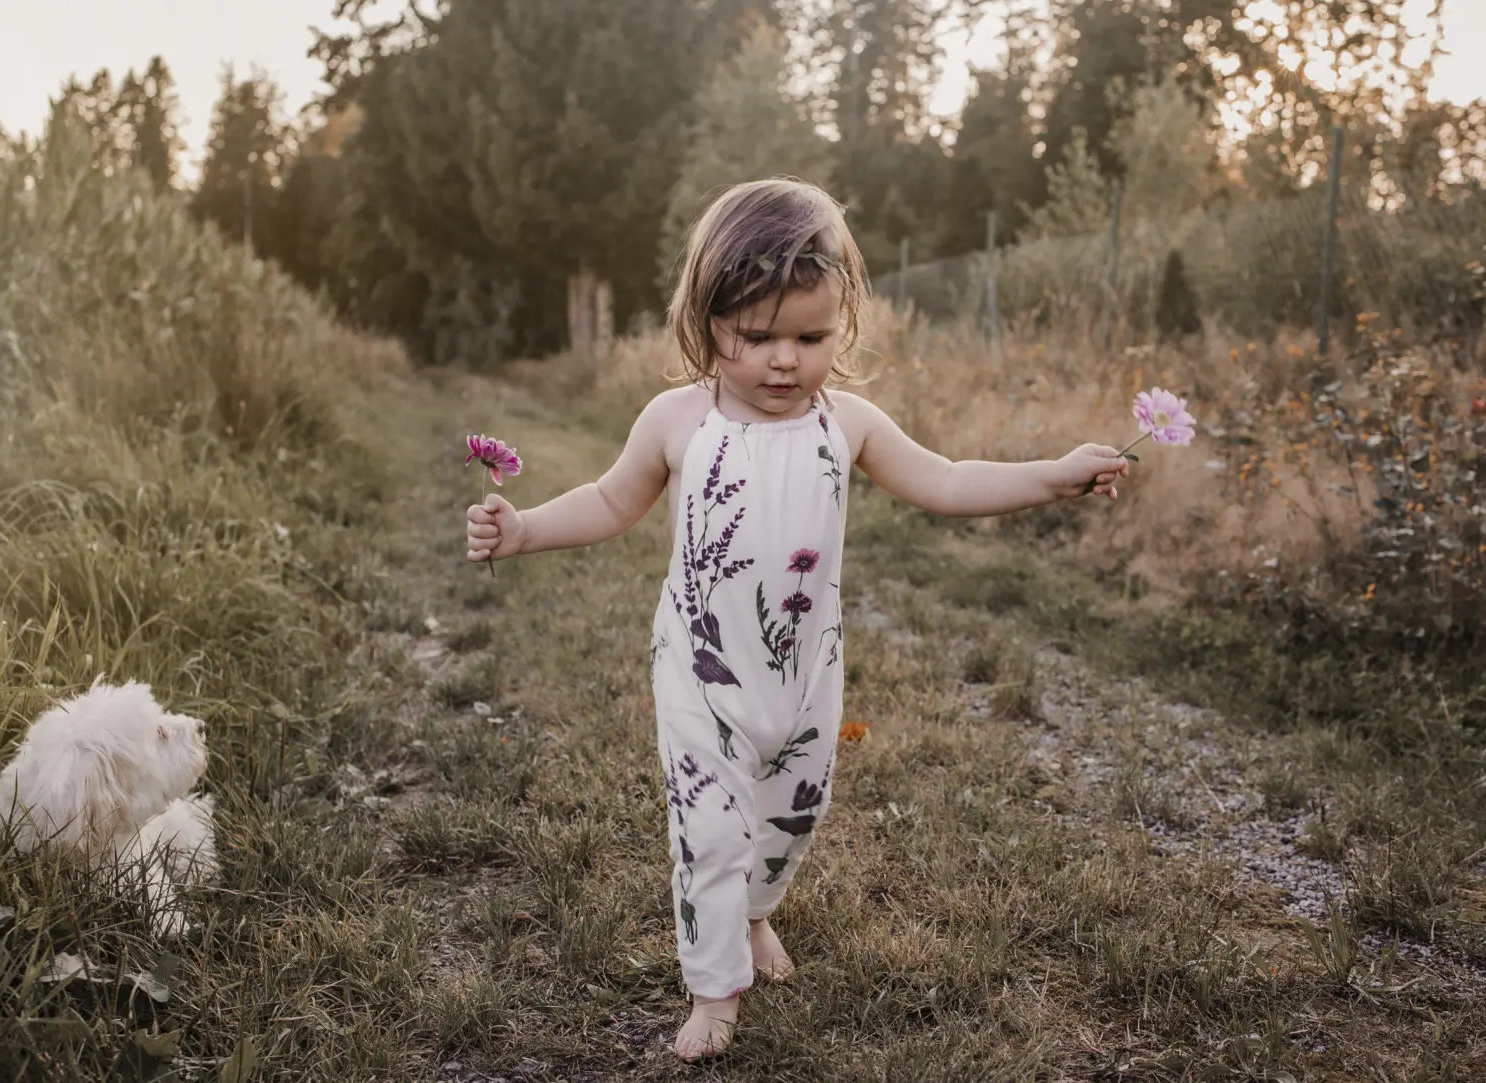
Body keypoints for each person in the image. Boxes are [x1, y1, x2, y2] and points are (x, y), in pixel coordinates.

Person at [465, 178, 1129, 1061]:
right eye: (757, 337)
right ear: (709, 325)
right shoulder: (678, 419)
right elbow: (610, 499)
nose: (785, 360)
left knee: (788, 821)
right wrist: (525, 531)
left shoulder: (845, 423)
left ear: (840, 327)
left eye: (810, 337)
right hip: (702, 672)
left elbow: (951, 478)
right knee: (710, 831)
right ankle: (713, 987)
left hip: (806, 671)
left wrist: (1052, 473)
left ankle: (759, 912)